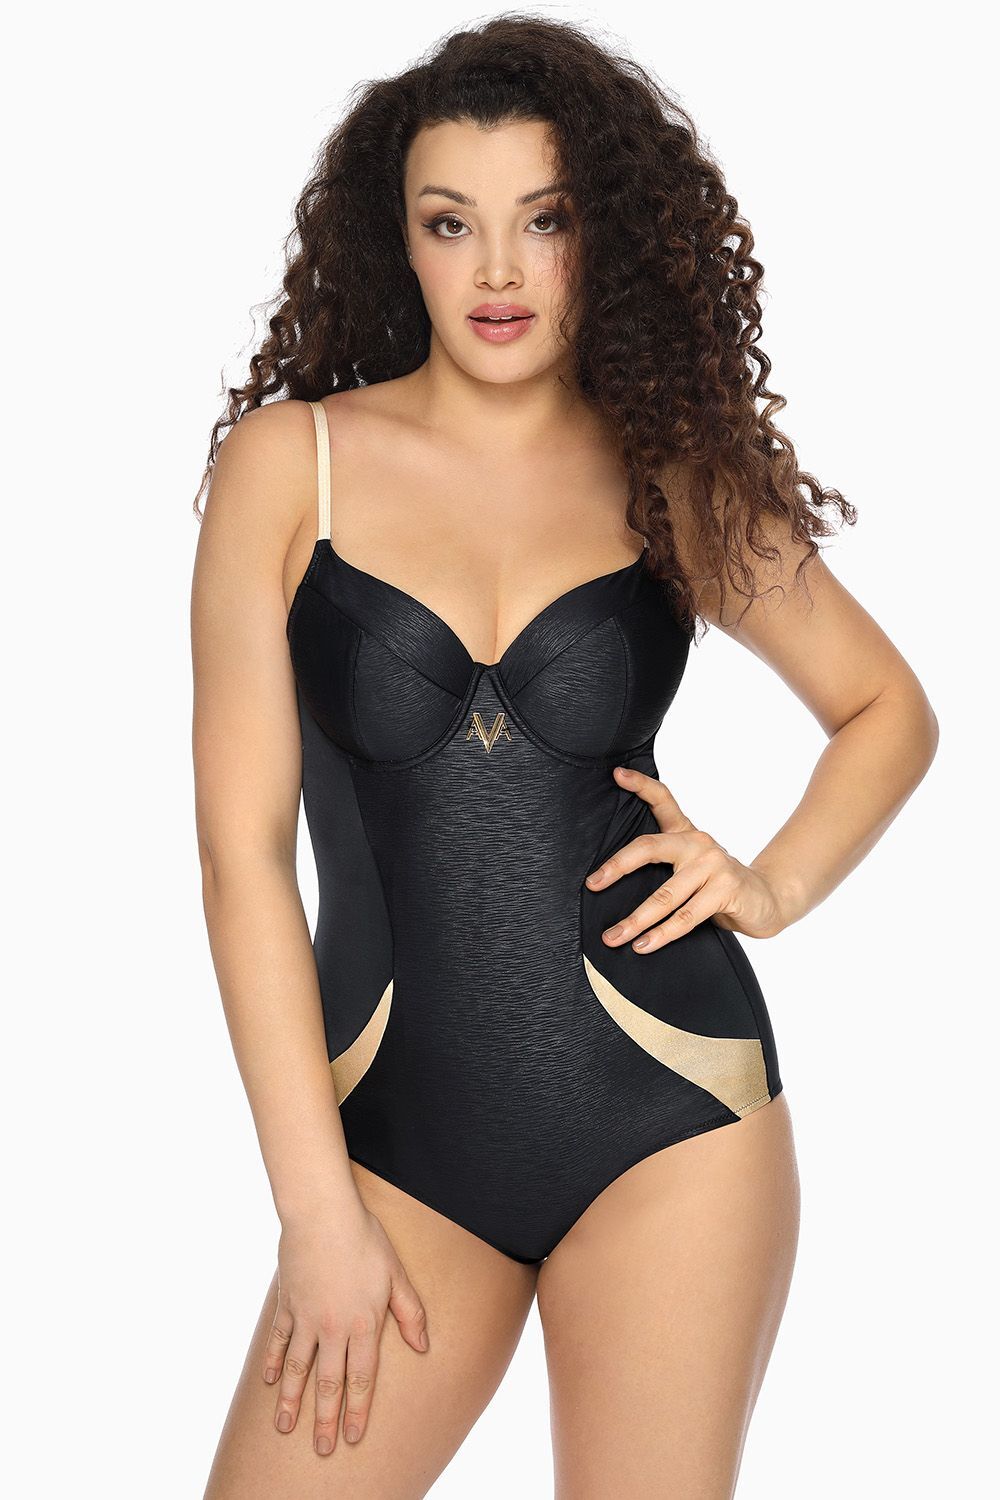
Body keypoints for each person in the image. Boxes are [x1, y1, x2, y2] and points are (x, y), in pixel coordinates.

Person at [190, 16, 938, 1498]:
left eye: (545, 220)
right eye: (450, 223)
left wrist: (772, 884)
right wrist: (316, 1213)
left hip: (673, 1119)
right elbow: (242, 859)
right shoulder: (291, 465)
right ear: (397, 239)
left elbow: (886, 710)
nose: (500, 271)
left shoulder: (666, 470)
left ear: (606, 236)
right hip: (394, 1152)